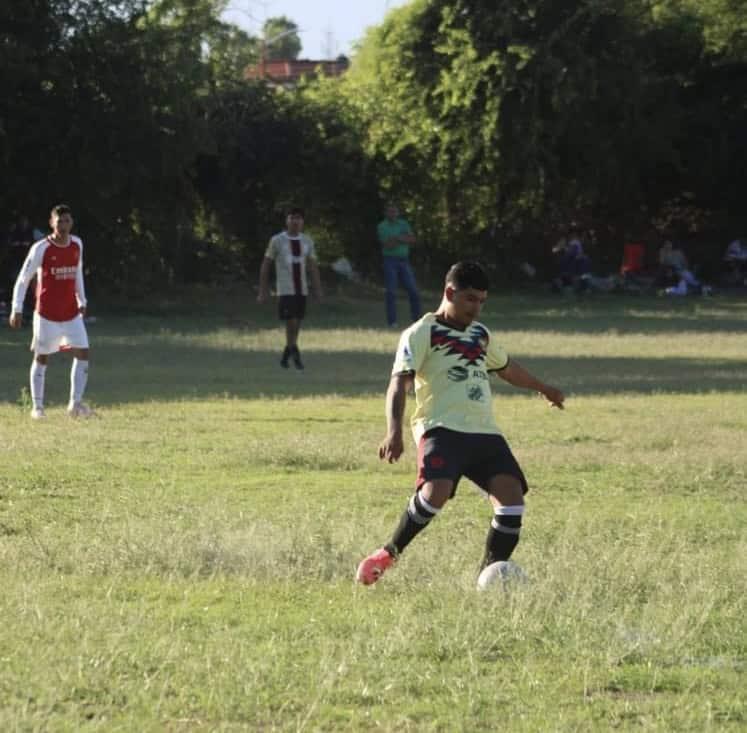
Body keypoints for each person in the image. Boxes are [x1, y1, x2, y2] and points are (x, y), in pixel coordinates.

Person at [356, 261, 565, 586]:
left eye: (482, 301)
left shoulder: (480, 335)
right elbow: (399, 383)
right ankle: (388, 553)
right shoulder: (421, 332)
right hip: (440, 427)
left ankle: (488, 578)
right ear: (449, 292)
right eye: (470, 299)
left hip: (484, 431)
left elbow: (508, 369)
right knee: (435, 492)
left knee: (512, 501)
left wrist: (544, 387)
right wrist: (393, 431)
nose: (476, 308)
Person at [8, 204, 92, 419]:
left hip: (71, 313)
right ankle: (37, 408)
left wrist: (81, 299)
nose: (63, 225)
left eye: (67, 221)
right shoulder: (41, 248)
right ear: (51, 223)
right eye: (59, 221)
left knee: (83, 352)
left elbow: (77, 273)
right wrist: (16, 308)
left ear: (71, 223)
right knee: (42, 357)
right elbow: (24, 278)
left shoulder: (77, 244)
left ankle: (75, 405)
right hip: (46, 314)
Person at [257, 207, 323, 369]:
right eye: (292, 218)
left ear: (303, 222)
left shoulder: (307, 241)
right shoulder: (277, 241)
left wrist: (317, 288)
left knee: (297, 322)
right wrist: (262, 290)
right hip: (285, 289)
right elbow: (266, 265)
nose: (295, 221)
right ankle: (296, 354)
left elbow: (313, 266)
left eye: (299, 218)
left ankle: (287, 353)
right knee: (291, 321)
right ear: (287, 221)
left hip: (302, 289)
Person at [377, 203, 421, 327]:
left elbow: (412, 239)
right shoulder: (382, 226)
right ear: (386, 213)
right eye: (390, 211)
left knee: (413, 290)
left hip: (404, 260)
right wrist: (402, 238)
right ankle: (392, 322)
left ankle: (417, 319)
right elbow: (387, 245)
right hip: (389, 261)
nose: (392, 214)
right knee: (391, 291)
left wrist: (396, 239)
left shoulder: (403, 224)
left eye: (394, 211)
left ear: (398, 212)